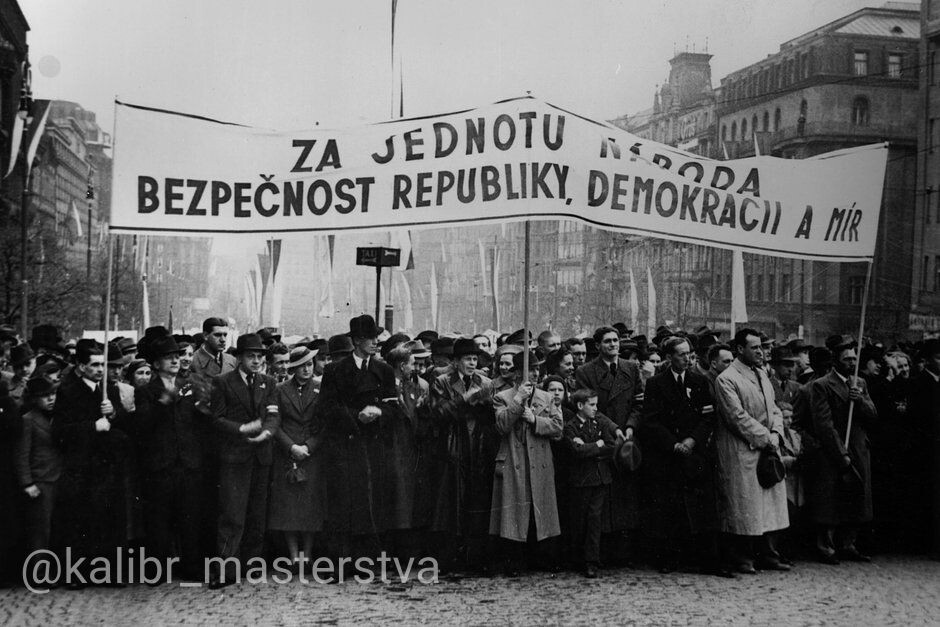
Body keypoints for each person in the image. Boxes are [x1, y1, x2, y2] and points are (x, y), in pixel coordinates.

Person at [639, 337, 730, 577]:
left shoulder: (699, 381)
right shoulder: (656, 384)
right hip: (668, 455)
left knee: (703, 508)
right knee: (670, 507)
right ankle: (669, 558)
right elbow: (651, 421)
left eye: (689, 353)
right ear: (669, 357)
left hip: (695, 453)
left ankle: (707, 560)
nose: (687, 358)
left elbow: (708, 416)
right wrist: (673, 444)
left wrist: (692, 440)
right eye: (681, 354)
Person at [317, 315, 395, 575]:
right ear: (357, 341)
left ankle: (367, 562)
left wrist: (379, 412)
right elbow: (327, 408)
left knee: (371, 502)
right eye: (370, 338)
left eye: (376, 337)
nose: (375, 342)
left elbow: (393, 407)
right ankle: (339, 563)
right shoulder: (335, 371)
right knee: (342, 502)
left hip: (373, 445)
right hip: (345, 446)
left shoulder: (384, 370)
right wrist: (356, 416)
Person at [52, 343, 131, 588]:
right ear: (81, 366)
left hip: (106, 467)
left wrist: (114, 413)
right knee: (79, 521)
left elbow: (124, 425)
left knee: (107, 520)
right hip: (81, 466)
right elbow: (60, 432)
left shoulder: (109, 390)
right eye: (94, 365)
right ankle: (75, 575)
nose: (100, 370)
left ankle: (106, 572)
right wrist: (92, 427)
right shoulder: (68, 392)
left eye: (102, 364)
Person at [713, 328, 789, 574]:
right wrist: (766, 438)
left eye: (761, 347)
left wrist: (776, 433)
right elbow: (736, 417)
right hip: (742, 451)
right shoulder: (727, 379)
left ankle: (769, 554)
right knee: (744, 508)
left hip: (767, 447)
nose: (760, 352)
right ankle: (743, 557)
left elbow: (774, 408)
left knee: (769, 507)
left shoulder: (762, 374)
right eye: (754, 347)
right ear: (739, 349)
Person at [209, 333, 280, 588]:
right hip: (235, 457)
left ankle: (252, 566)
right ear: (239, 358)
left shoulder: (268, 382)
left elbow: (273, 414)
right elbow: (216, 419)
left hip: (261, 456)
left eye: (260, 356)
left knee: (257, 515)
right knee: (232, 514)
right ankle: (226, 570)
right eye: (251, 356)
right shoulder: (222, 382)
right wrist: (241, 429)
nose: (257, 361)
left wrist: (266, 433)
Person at [133, 334, 206, 581]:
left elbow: (200, 423)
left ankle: (191, 567)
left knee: (190, 518)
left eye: (177, 356)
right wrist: (164, 401)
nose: (175, 361)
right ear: (156, 364)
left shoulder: (189, 386)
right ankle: (157, 570)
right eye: (168, 357)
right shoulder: (146, 391)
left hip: (188, 463)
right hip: (160, 465)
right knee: (158, 520)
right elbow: (143, 425)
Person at [805, 337, 877, 564]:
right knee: (831, 499)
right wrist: (840, 453)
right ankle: (826, 546)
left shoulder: (860, 383)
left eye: (854, 359)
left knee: (857, 497)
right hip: (834, 449)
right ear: (835, 361)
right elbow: (823, 424)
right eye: (847, 359)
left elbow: (873, 415)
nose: (852, 363)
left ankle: (848, 543)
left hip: (858, 446)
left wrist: (860, 400)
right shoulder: (822, 385)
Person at [574, 326, 643, 566]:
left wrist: (631, 426)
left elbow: (639, 402)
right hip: (602, 439)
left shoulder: (631, 368)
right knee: (601, 502)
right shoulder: (585, 371)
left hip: (627, 443)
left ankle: (623, 553)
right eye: (607, 341)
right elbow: (589, 408)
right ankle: (600, 553)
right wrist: (613, 429)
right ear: (598, 346)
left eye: (616, 340)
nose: (613, 345)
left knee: (625, 498)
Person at [427, 337, 496, 575]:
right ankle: (450, 558)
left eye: (475, 359)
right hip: (453, 447)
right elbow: (438, 413)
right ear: (456, 362)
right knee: (451, 504)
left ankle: (474, 557)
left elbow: (492, 416)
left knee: (477, 502)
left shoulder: (486, 382)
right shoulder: (442, 382)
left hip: (478, 447)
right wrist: (464, 400)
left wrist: (483, 404)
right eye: (467, 359)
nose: (472, 363)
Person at [490, 351, 563, 576]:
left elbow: (558, 428)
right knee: (515, 513)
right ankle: (514, 561)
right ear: (518, 372)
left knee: (541, 510)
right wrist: (518, 400)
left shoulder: (547, 397)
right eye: (530, 369)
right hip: (515, 459)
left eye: (537, 368)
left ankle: (542, 558)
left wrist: (535, 420)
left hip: (540, 461)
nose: (535, 373)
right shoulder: (502, 397)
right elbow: (502, 425)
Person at [269, 345, 325, 570]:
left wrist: (309, 446)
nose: (306, 369)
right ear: (293, 368)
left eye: (309, 365)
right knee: (289, 508)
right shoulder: (279, 390)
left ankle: (308, 555)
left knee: (310, 507)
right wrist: (291, 447)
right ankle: (293, 556)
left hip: (312, 455)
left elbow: (324, 424)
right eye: (301, 366)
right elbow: (274, 423)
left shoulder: (320, 388)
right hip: (287, 454)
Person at [563, 388, 619, 578]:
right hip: (581, 480)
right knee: (580, 519)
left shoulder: (599, 423)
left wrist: (589, 447)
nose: (596, 408)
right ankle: (578, 558)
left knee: (595, 519)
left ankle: (591, 560)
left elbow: (611, 446)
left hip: (600, 478)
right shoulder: (570, 427)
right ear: (580, 405)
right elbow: (576, 451)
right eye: (592, 405)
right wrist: (597, 444)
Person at [13, 377, 61, 579]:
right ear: (34, 398)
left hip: (59, 477)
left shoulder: (58, 417)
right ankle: (39, 574)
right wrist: (27, 483)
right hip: (40, 481)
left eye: (53, 394)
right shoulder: (28, 420)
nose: (50, 399)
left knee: (56, 527)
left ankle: (55, 571)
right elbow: (22, 454)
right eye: (44, 396)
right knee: (40, 531)